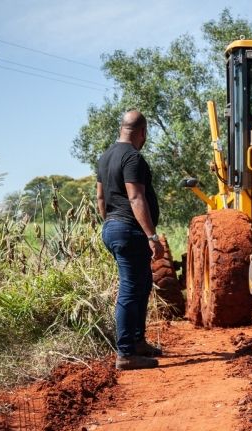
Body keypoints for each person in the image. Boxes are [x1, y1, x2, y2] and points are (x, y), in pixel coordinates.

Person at [96, 110, 164, 370]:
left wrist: (110, 222)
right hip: (129, 230)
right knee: (129, 289)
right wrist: (151, 235)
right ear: (142, 132)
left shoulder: (105, 157)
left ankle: (138, 342)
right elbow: (136, 198)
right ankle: (125, 353)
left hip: (113, 227)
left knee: (142, 284)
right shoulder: (133, 157)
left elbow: (101, 198)